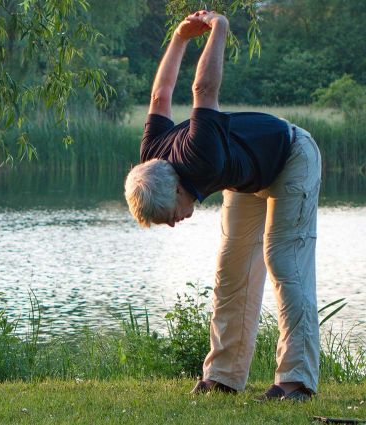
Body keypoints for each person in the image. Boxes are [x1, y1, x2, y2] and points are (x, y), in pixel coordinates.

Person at [124, 10, 321, 401]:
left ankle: (296, 381)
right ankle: (223, 376)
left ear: (177, 189)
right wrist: (179, 39)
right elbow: (160, 96)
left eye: (169, 217)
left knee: (283, 261)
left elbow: (203, 90)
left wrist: (220, 29)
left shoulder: (200, 156)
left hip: (292, 157)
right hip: (247, 176)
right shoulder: (152, 156)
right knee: (231, 272)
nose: (174, 224)